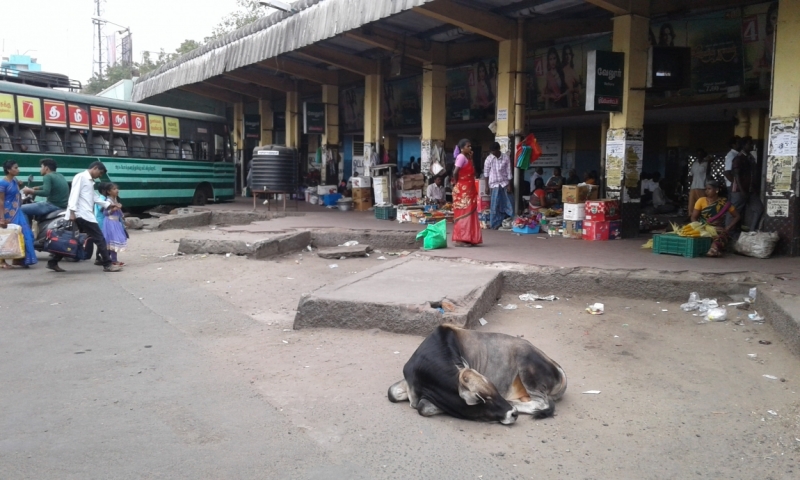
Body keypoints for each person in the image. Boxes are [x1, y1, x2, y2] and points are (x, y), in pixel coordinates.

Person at [47, 161, 122, 273]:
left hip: (83, 214)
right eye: (100, 173)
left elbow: (94, 197)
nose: (99, 176)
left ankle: (53, 262)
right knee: (99, 238)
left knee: (71, 238)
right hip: (81, 214)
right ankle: (107, 264)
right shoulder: (81, 177)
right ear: (95, 168)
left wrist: (109, 204)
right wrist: (72, 212)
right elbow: (74, 194)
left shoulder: (89, 181)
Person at [0, 160, 37, 269]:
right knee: (7, 236)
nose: (18, 170)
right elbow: (1, 201)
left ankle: (19, 259)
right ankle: (2, 260)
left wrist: (19, 184)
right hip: (7, 213)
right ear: (8, 170)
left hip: (18, 211)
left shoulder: (14, 180)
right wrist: (1, 217)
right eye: (15, 168)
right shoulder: (3, 183)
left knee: (25, 234)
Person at [691, 180, 740, 257]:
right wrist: (701, 226)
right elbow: (693, 218)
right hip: (702, 227)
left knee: (722, 236)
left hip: (717, 229)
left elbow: (737, 216)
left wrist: (728, 227)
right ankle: (714, 250)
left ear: (716, 190)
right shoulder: (701, 201)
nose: (706, 191)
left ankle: (713, 249)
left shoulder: (724, 202)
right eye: (705, 189)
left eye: (709, 189)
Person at [728, 136, 763, 232]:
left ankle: (752, 232)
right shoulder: (738, 158)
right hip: (739, 191)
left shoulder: (750, 157)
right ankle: (727, 234)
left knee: (759, 209)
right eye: (750, 143)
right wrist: (742, 190)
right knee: (734, 213)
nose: (752, 145)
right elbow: (736, 175)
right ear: (744, 145)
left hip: (750, 190)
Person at [451, 139, 482, 247]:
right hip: (463, 190)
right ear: (462, 148)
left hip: (470, 189)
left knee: (470, 212)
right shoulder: (461, 157)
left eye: (470, 146)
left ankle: (469, 237)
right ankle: (460, 239)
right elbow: (455, 172)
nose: (470, 148)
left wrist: (471, 158)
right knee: (464, 213)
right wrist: (457, 183)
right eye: (468, 146)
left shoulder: (468, 158)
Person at [20, 158, 69, 224]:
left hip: (52, 205)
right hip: (62, 206)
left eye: (41, 167)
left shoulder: (47, 176)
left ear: (46, 168)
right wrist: (36, 188)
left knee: (21, 209)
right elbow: (52, 186)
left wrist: (30, 191)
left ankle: (27, 232)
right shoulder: (60, 175)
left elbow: (46, 192)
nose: (40, 169)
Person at [482, 142, 513, 230]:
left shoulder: (505, 157)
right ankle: (495, 224)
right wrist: (486, 186)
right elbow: (486, 173)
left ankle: (508, 221)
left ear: (498, 150)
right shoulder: (489, 159)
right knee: (495, 205)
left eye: (494, 151)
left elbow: (509, 172)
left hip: (504, 184)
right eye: (491, 152)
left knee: (508, 204)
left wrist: (509, 185)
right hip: (494, 184)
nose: (493, 153)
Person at [99, 183, 127, 266]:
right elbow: (105, 213)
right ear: (109, 191)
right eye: (114, 189)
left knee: (113, 242)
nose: (117, 190)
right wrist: (113, 209)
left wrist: (122, 217)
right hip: (110, 223)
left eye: (117, 189)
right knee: (112, 242)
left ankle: (112, 260)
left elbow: (119, 212)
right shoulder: (108, 201)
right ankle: (111, 260)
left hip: (116, 222)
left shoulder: (115, 200)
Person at [688, 150, 711, 216]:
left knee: (702, 202)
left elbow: (708, 173)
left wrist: (709, 162)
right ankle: (691, 216)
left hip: (702, 186)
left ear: (704, 155)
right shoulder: (694, 164)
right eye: (698, 154)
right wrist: (690, 183)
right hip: (694, 186)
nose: (699, 156)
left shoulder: (706, 164)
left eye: (701, 154)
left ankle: (703, 216)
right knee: (691, 203)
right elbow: (691, 174)